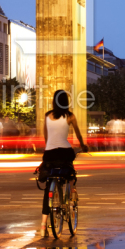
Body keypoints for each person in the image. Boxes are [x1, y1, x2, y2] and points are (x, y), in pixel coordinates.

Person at [40, 90, 88, 238]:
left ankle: (43, 226)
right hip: (64, 152)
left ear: (54, 101)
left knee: (48, 187)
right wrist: (83, 145)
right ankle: (72, 188)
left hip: (49, 153)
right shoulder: (70, 116)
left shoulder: (47, 116)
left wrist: (49, 148)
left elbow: (46, 137)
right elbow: (78, 134)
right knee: (70, 171)